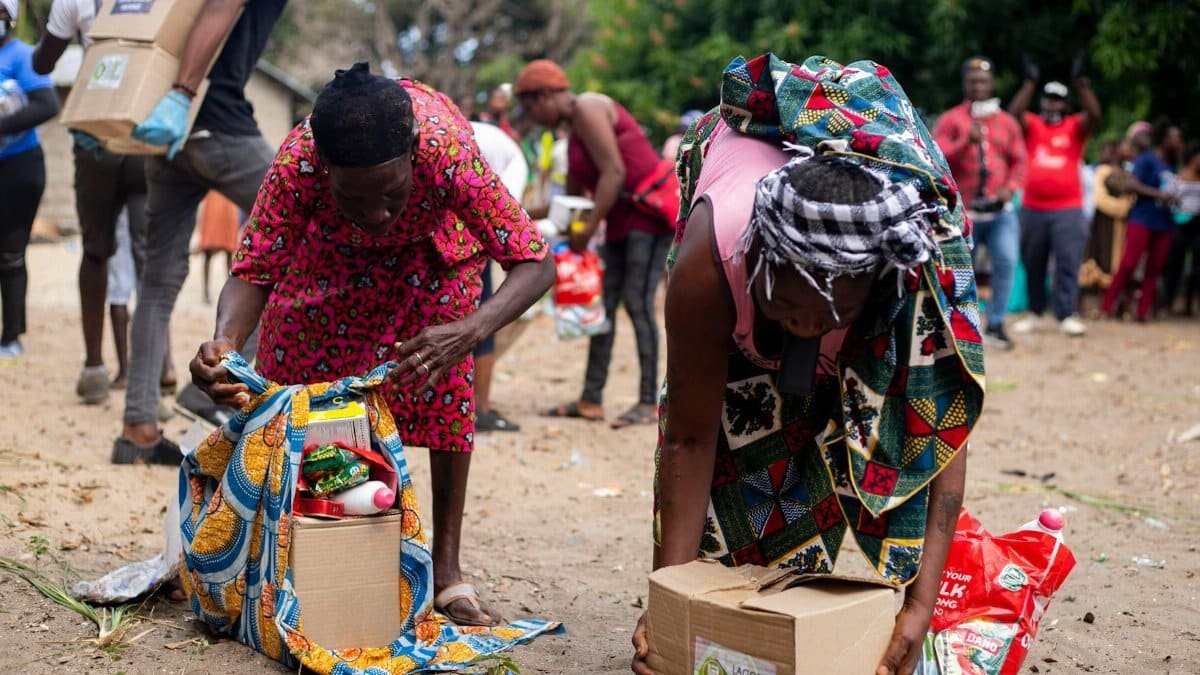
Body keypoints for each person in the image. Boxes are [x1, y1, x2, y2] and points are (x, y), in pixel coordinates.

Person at [631, 54, 984, 675]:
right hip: (735, 262)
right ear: (760, 261)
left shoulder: (908, 276)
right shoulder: (708, 264)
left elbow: (939, 443)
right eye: (790, 307)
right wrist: (671, 607)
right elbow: (689, 435)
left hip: (882, 297)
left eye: (829, 314)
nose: (805, 326)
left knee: (880, 441)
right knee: (741, 470)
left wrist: (919, 608)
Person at [188, 63, 554, 625]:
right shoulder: (296, 164)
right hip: (330, 256)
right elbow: (255, 268)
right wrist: (226, 343)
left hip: (433, 257)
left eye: (390, 192)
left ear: (412, 151)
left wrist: (469, 331)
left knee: (442, 386)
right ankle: (335, 545)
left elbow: (534, 259)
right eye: (355, 197)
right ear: (325, 168)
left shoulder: (447, 152)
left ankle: (448, 574)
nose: (377, 214)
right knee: (304, 384)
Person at [112, 0, 286, 464]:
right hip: (216, 122)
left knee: (157, 282)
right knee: (301, 229)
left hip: (173, 135)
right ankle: (215, 384)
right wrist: (183, 94)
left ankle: (138, 426)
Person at [517, 59, 675, 429]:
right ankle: (591, 399)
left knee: (636, 303)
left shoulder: (587, 107)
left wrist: (585, 230)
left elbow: (614, 173)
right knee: (602, 308)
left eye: (529, 108)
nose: (530, 117)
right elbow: (571, 199)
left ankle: (648, 401)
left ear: (543, 97)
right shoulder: (572, 131)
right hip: (620, 221)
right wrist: (518, 211)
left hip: (646, 217)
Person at [933, 56, 1026, 351]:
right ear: (965, 84)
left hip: (1000, 212)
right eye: (973, 81)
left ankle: (996, 324)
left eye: (984, 80)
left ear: (992, 83)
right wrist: (963, 141)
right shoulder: (951, 119)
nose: (979, 85)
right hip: (964, 213)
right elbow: (935, 155)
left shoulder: (1006, 122)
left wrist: (1010, 188)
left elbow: (1019, 160)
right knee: (963, 269)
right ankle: (962, 328)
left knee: (1006, 260)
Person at [1008, 56, 1101, 337]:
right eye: (1047, 98)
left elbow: (1095, 116)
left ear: (1065, 103)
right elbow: (1014, 115)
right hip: (1033, 207)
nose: (1051, 103)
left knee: (1067, 262)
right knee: (1033, 261)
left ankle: (1066, 314)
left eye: (1057, 99)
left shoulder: (1073, 127)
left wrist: (1082, 84)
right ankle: (1036, 312)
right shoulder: (1033, 125)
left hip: (1068, 208)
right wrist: (1030, 83)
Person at [0, 0, 59, 358]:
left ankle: (11, 335)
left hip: (19, 169)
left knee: (10, 253)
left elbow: (47, 104)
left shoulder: (23, 57)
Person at [470, 119, 530, 432]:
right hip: (466, 233)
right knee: (482, 316)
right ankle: (479, 409)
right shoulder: (513, 161)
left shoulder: (499, 151)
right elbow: (505, 219)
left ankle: (475, 406)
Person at [1100, 118, 1183, 322]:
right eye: (1175, 137)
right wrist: (1158, 194)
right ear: (1164, 139)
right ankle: (1107, 307)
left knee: (1154, 268)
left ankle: (1142, 312)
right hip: (1142, 219)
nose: (1178, 140)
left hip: (1164, 222)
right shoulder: (1146, 159)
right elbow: (1131, 184)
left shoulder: (1171, 165)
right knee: (1128, 264)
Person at [1079, 140, 1133, 293]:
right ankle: (1094, 304)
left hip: (1123, 224)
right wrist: (1122, 208)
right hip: (1103, 223)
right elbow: (1100, 198)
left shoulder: (1127, 172)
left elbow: (1132, 196)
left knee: (1120, 259)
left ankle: (1113, 302)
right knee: (1100, 257)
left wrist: (1127, 207)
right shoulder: (1103, 171)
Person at [1161, 144, 1200, 314]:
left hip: (1198, 225)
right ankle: (1168, 302)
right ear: (1193, 158)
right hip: (1180, 224)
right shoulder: (1179, 177)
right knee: (1175, 264)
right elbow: (1168, 197)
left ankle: (1190, 306)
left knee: (1197, 267)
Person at [197, 190, 240, 305]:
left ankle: (231, 291)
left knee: (229, 253)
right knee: (208, 253)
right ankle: (206, 292)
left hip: (227, 201)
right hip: (215, 200)